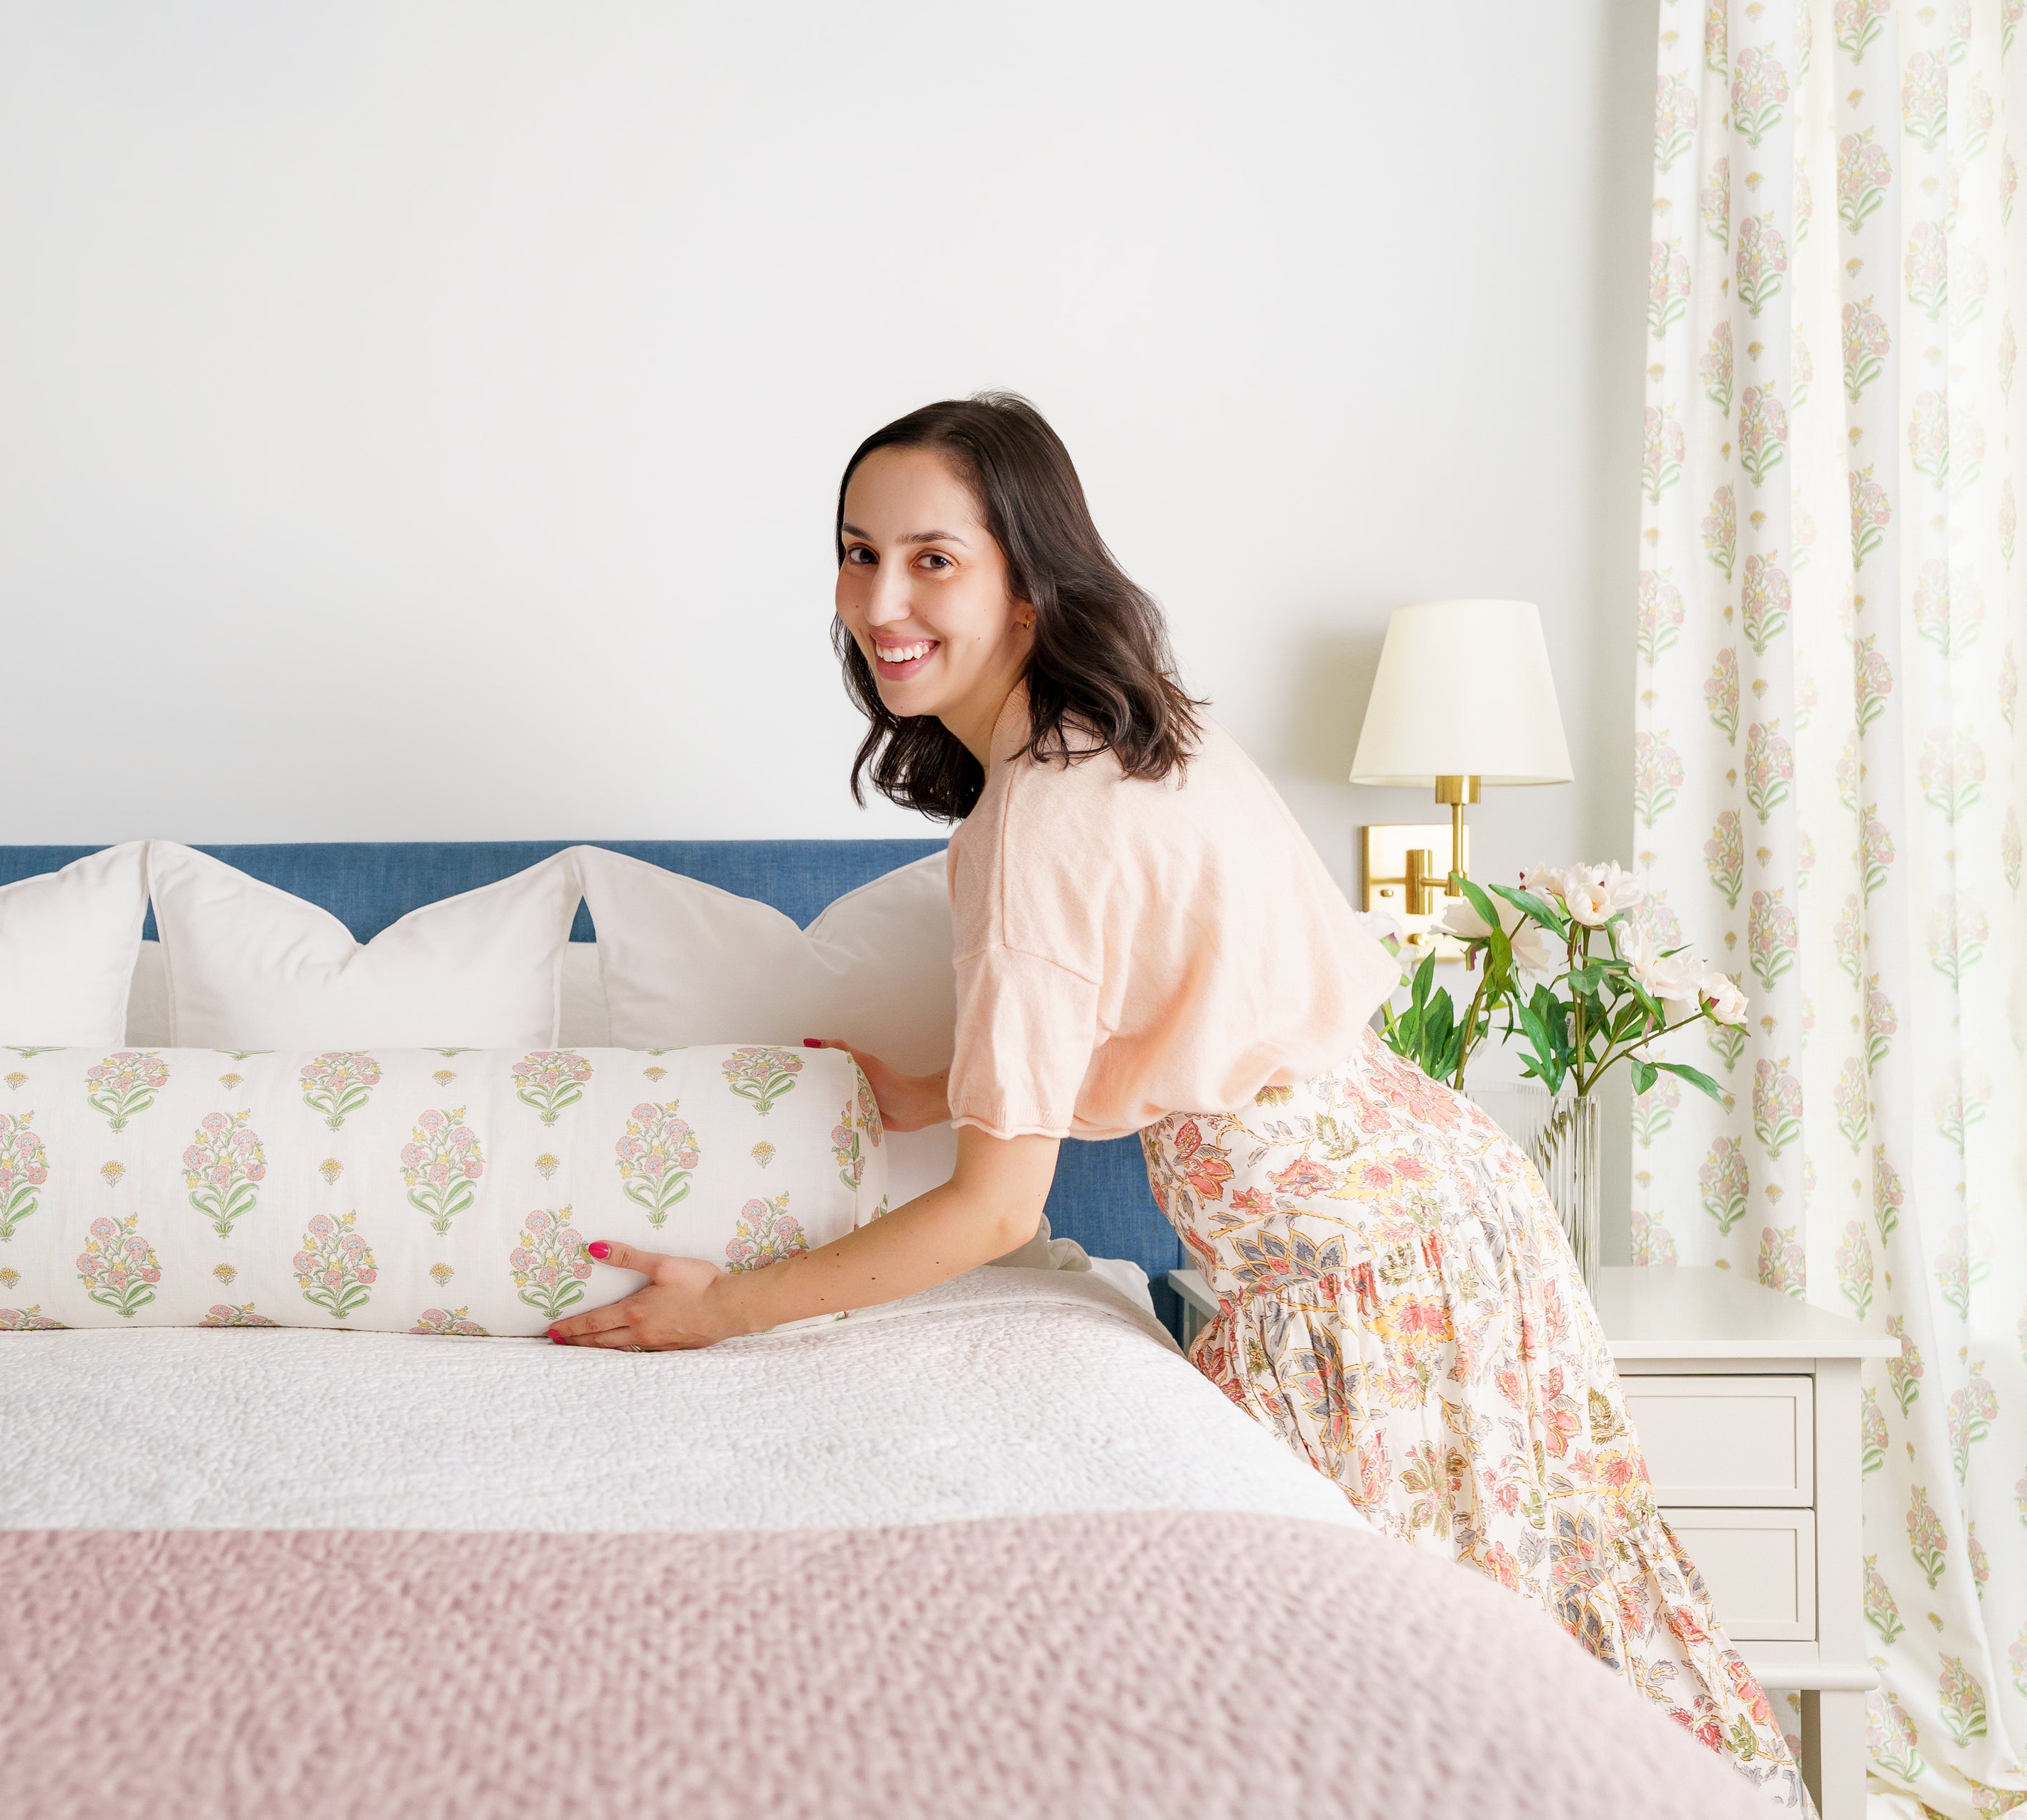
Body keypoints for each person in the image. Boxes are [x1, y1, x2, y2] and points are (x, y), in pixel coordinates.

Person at [543, 392, 1803, 1805]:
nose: (879, 599)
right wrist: (937, 1085)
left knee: (1427, 1711)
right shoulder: (1109, 737)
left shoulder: (1047, 816)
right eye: (855, 552)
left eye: (931, 558)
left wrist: (717, 1308)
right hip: (1423, 1215)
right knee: (1509, 1680)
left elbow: (993, 1212)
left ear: (1029, 575)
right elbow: (1172, 1015)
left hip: (1366, 1278)